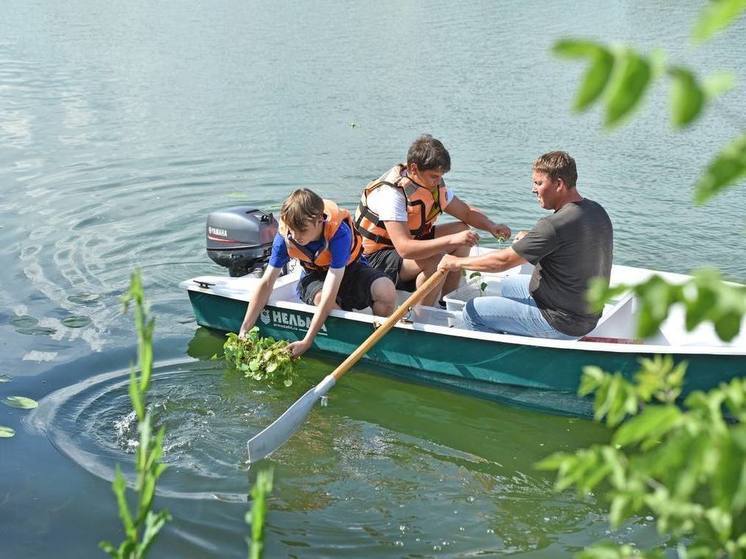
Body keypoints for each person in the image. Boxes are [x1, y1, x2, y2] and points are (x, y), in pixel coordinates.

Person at [438, 151, 613, 339]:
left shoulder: (551, 225)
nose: (533, 189)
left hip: (561, 321)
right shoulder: (596, 210)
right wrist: (530, 237)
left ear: (559, 184)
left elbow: (502, 262)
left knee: (473, 311)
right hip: (587, 313)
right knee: (507, 286)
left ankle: (501, 361)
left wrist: (454, 262)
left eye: (538, 183)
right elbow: (571, 242)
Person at [354, 134, 511, 307]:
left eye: (441, 175)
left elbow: (466, 212)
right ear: (414, 169)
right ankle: (421, 318)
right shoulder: (392, 194)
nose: (438, 181)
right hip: (374, 258)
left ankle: (446, 302)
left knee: (461, 229)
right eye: (434, 176)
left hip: (408, 246)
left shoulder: (432, 185)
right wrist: (450, 241)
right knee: (438, 260)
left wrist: (491, 226)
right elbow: (405, 248)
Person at [239, 188, 397, 357]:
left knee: (386, 290)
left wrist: (307, 341)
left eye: (302, 230)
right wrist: (244, 330)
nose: (295, 236)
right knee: (326, 302)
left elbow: (334, 282)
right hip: (313, 276)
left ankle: (379, 342)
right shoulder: (285, 237)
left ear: (320, 220)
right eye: (292, 229)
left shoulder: (339, 233)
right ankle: (347, 342)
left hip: (349, 270)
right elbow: (267, 282)